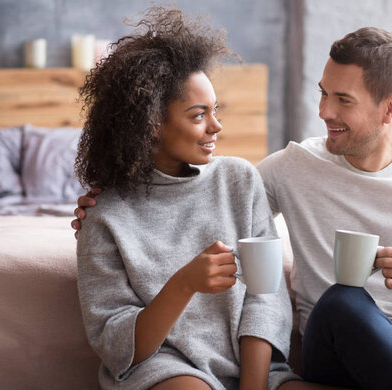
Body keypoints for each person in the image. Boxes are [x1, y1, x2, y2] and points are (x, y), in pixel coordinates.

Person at [73, 24, 392, 389]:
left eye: (342, 100)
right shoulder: (289, 167)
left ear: (390, 108)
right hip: (343, 344)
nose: (324, 112)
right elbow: (203, 199)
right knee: (345, 299)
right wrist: (100, 201)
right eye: (323, 94)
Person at [73, 7, 341, 390]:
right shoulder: (105, 218)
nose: (216, 126)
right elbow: (117, 345)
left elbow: (266, 297)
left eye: (216, 111)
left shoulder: (239, 179)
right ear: (151, 124)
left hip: (256, 372)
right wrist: (183, 284)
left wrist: (253, 386)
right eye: (199, 115)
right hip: (164, 371)